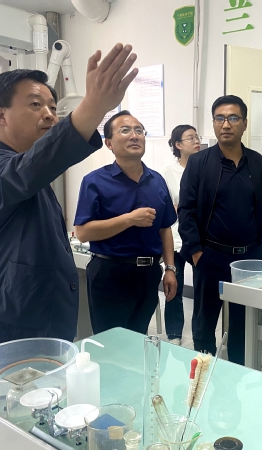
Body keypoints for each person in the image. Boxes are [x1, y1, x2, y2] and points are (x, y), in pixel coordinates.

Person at [0, 44, 138, 357]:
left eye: (53, 107)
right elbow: (28, 170)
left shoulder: (34, 174)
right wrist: (93, 106)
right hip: (2, 332)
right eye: (35, 104)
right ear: (1, 115)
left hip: (43, 326)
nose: (49, 114)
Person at [178, 95, 262, 365]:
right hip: (210, 256)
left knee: (244, 325)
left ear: (244, 123)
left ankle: (238, 375)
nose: (226, 124)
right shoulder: (199, 162)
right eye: (219, 118)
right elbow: (186, 210)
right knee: (204, 325)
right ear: (213, 123)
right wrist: (196, 252)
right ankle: (205, 377)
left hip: (248, 260)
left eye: (233, 118)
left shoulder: (257, 163)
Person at [74, 111, 177, 335]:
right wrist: (129, 219)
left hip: (148, 273)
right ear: (109, 143)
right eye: (125, 130)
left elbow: (165, 228)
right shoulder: (94, 181)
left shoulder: (157, 180)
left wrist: (170, 269)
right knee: (110, 342)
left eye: (139, 130)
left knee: (138, 337)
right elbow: (82, 232)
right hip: (109, 273)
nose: (134, 135)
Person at [160, 125, 201, 345]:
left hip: (199, 239)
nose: (197, 141)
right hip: (175, 239)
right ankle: (174, 334)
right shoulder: (168, 172)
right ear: (178, 145)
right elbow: (165, 207)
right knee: (174, 286)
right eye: (190, 138)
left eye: (197, 137)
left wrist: (182, 207)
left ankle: (199, 335)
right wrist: (182, 209)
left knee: (202, 289)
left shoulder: (205, 168)